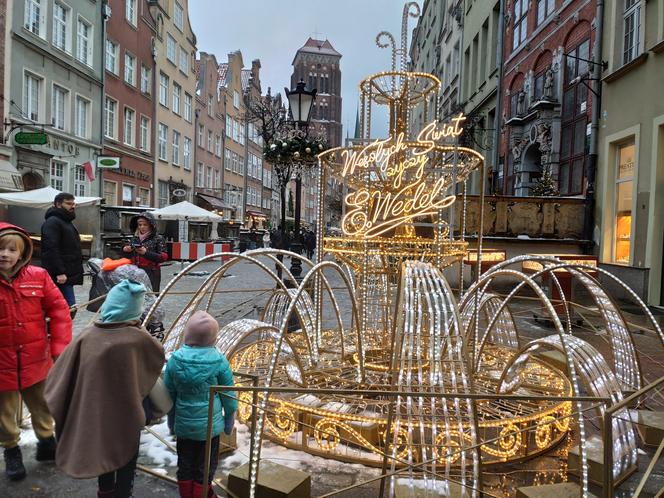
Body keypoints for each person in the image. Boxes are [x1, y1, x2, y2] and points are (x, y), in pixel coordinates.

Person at [45, 280, 164, 498]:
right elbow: (155, 359)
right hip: (128, 413)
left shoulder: (87, 336)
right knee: (127, 453)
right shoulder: (137, 339)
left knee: (105, 451)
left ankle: (105, 491)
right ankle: (124, 492)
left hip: (96, 412)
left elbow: (62, 371)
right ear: (134, 311)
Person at [0, 223, 72, 481]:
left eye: (11, 249)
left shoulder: (38, 276)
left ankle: (46, 442)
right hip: (2, 363)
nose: (4, 254)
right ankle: (11, 449)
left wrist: (59, 347)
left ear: (22, 253)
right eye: (0, 248)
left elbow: (60, 311)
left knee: (41, 403)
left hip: (35, 359)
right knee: (4, 410)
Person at [164, 311, 236, 498]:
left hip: (184, 426)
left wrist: (171, 419)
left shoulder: (175, 359)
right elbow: (228, 394)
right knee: (205, 467)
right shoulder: (219, 361)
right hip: (209, 429)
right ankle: (202, 494)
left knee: (185, 464)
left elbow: (168, 393)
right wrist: (229, 417)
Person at [40, 192, 83, 307]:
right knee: (68, 307)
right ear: (58, 204)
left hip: (67, 273)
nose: (73, 206)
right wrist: (59, 272)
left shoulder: (66, 221)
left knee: (67, 307)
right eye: (69, 203)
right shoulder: (53, 222)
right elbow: (50, 249)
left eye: (74, 204)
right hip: (60, 275)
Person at [122, 211, 168, 292]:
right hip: (135, 272)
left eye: (145, 225)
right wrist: (125, 250)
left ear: (151, 225)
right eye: (140, 225)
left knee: (150, 296)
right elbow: (126, 257)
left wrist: (146, 253)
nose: (142, 227)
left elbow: (163, 258)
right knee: (136, 297)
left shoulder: (158, 238)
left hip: (151, 273)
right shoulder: (134, 238)